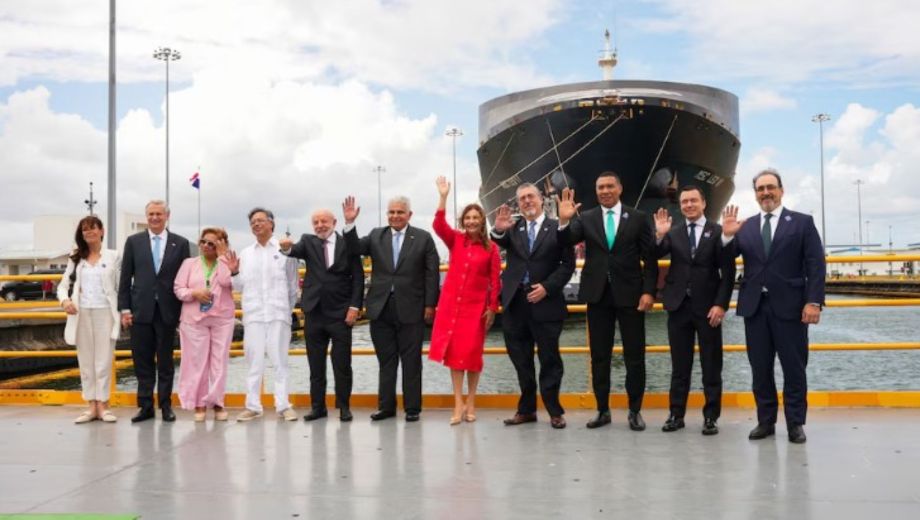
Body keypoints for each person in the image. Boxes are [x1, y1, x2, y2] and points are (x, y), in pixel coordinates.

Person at [721, 169, 825, 444]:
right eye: (760, 189)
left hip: (792, 308)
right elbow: (724, 259)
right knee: (760, 368)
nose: (765, 193)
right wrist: (727, 237)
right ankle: (765, 421)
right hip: (755, 308)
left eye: (770, 187)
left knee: (794, 368)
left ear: (781, 190)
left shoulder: (802, 223)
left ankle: (795, 423)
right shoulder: (747, 227)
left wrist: (813, 301)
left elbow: (816, 264)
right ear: (755, 193)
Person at [556, 172, 658, 430]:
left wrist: (649, 292)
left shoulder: (638, 218)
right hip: (597, 295)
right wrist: (563, 221)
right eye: (600, 187)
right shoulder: (586, 218)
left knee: (635, 355)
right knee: (599, 356)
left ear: (620, 188)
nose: (605, 191)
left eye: (610, 186)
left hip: (631, 296)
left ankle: (635, 411)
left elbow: (651, 260)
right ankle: (603, 410)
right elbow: (566, 241)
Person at [343, 196, 440, 423]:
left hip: (412, 308)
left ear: (409, 215)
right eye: (391, 212)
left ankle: (412, 408)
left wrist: (429, 305)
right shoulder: (377, 235)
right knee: (386, 361)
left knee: (412, 362)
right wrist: (349, 224)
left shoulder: (423, 238)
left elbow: (432, 274)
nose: (395, 216)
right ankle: (386, 407)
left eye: (400, 212)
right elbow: (354, 248)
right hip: (381, 308)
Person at [490, 183, 575, 429]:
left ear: (541, 199)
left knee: (550, 359)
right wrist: (497, 229)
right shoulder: (513, 228)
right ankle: (526, 410)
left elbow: (567, 264)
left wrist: (547, 287)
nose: (527, 201)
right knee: (520, 359)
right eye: (522, 198)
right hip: (516, 303)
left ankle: (554, 411)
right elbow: (497, 239)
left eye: (531, 197)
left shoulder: (557, 228)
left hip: (545, 302)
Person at [653, 186, 736, 435]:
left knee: (712, 365)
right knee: (680, 366)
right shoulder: (674, 232)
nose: (688, 205)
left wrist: (721, 304)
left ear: (703, 203)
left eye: (693, 201)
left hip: (708, 307)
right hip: (678, 307)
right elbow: (655, 254)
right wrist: (659, 236)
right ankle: (676, 414)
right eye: (684, 202)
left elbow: (728, 273)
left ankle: (711, 416)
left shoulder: (719, 232)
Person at [428, 176, 501, 425]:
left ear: (482, 221)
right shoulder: (456, 240)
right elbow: (438, 226)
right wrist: (443, 196)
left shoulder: (491, 249)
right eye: (467, 218)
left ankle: (471, 400)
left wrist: (492, 308)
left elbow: (495, 280)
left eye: (475, 217)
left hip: (475, 308)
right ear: (464, 222)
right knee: (454, 355)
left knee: (472, 355)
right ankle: (458, 402)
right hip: (451, 306)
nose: (471, 221)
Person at [280, 207, 364, 422]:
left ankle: (344, 407)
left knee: (342, 364)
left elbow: (358, 276)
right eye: (315, 222)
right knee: (315, 365)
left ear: (334, 222)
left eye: (323, 221)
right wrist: (286, 248)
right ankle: (318, 407)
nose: (320, 225)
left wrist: (355, 307)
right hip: (314, 312)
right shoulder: (308, 241)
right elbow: (293, 251)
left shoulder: (348, 243)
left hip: (341, 313)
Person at [118, 200, 191, 423]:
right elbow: (125, 278)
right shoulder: (133, 242)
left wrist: (183, 312)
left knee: (166, 362)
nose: (155, 218)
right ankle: (146, 406)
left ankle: (166, 405)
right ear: (146, 216)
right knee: (142, 361)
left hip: (168, 311)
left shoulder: (180, 243)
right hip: (141, 310)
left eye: (159, 214)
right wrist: (124, 308)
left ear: (167, 216)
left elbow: (184, 278)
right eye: (151, 214)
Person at [225, 208, 300, 422]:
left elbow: (293, 285)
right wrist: (234, 272)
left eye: (260, 220)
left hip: (278, 314)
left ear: (271, 224)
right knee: (253, 362)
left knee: (280, 361)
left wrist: (286, 310)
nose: (256, 225)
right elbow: (238, 287)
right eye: (253, 222)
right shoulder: (246, 254)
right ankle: (253, 406)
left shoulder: (286, 250)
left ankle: (283, 405)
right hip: (254, 314)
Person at [58, 216, 122, 424]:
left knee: (103, 360)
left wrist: (125, 310)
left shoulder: (113, 256)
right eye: (84, 230)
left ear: (102, 231)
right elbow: (62, 285)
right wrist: (65, 301)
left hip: (106, 312)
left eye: (93, 228)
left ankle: (103, 405)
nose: (89, 233)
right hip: (81, 313)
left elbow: (121, 286)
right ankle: (91, 406)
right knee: (86, 361)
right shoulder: (76, 257)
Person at [173, 228, 235, 421]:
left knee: (219, 362)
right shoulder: (189, 263)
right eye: (204, 242)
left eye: (212, 243)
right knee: (195, 362)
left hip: (222, 318)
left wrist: (224, 256)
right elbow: (178, 289)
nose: (206, 246)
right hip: (193, 319)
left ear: (221, 245)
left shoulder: (228, 260)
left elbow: (226, 282)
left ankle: (217, 403)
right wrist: (195, 293)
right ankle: (198, 404)